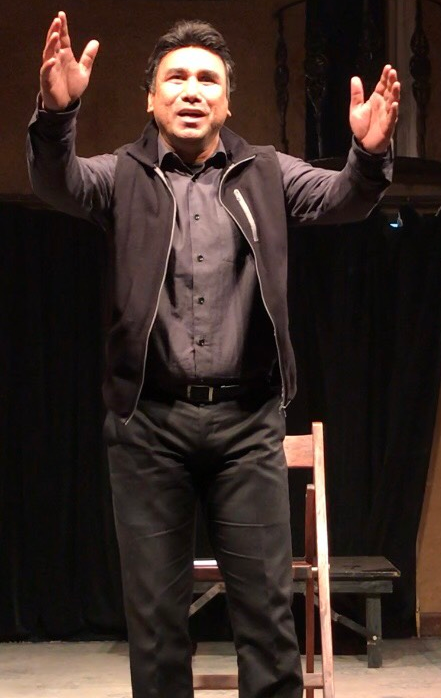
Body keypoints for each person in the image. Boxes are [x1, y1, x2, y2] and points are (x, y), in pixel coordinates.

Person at [27, 10, 400, 698]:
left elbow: (343, 199)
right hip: (148, 427)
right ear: (150, 98)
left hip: (246, 425)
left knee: (267, 620)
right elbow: (58, 183)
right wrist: (56, 118)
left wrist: (368, 155)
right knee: (156, 629)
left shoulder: (267, 173)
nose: (192, 90)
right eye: (176, 78)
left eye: (207, 79)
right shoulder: (122, 175)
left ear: (228, 102)